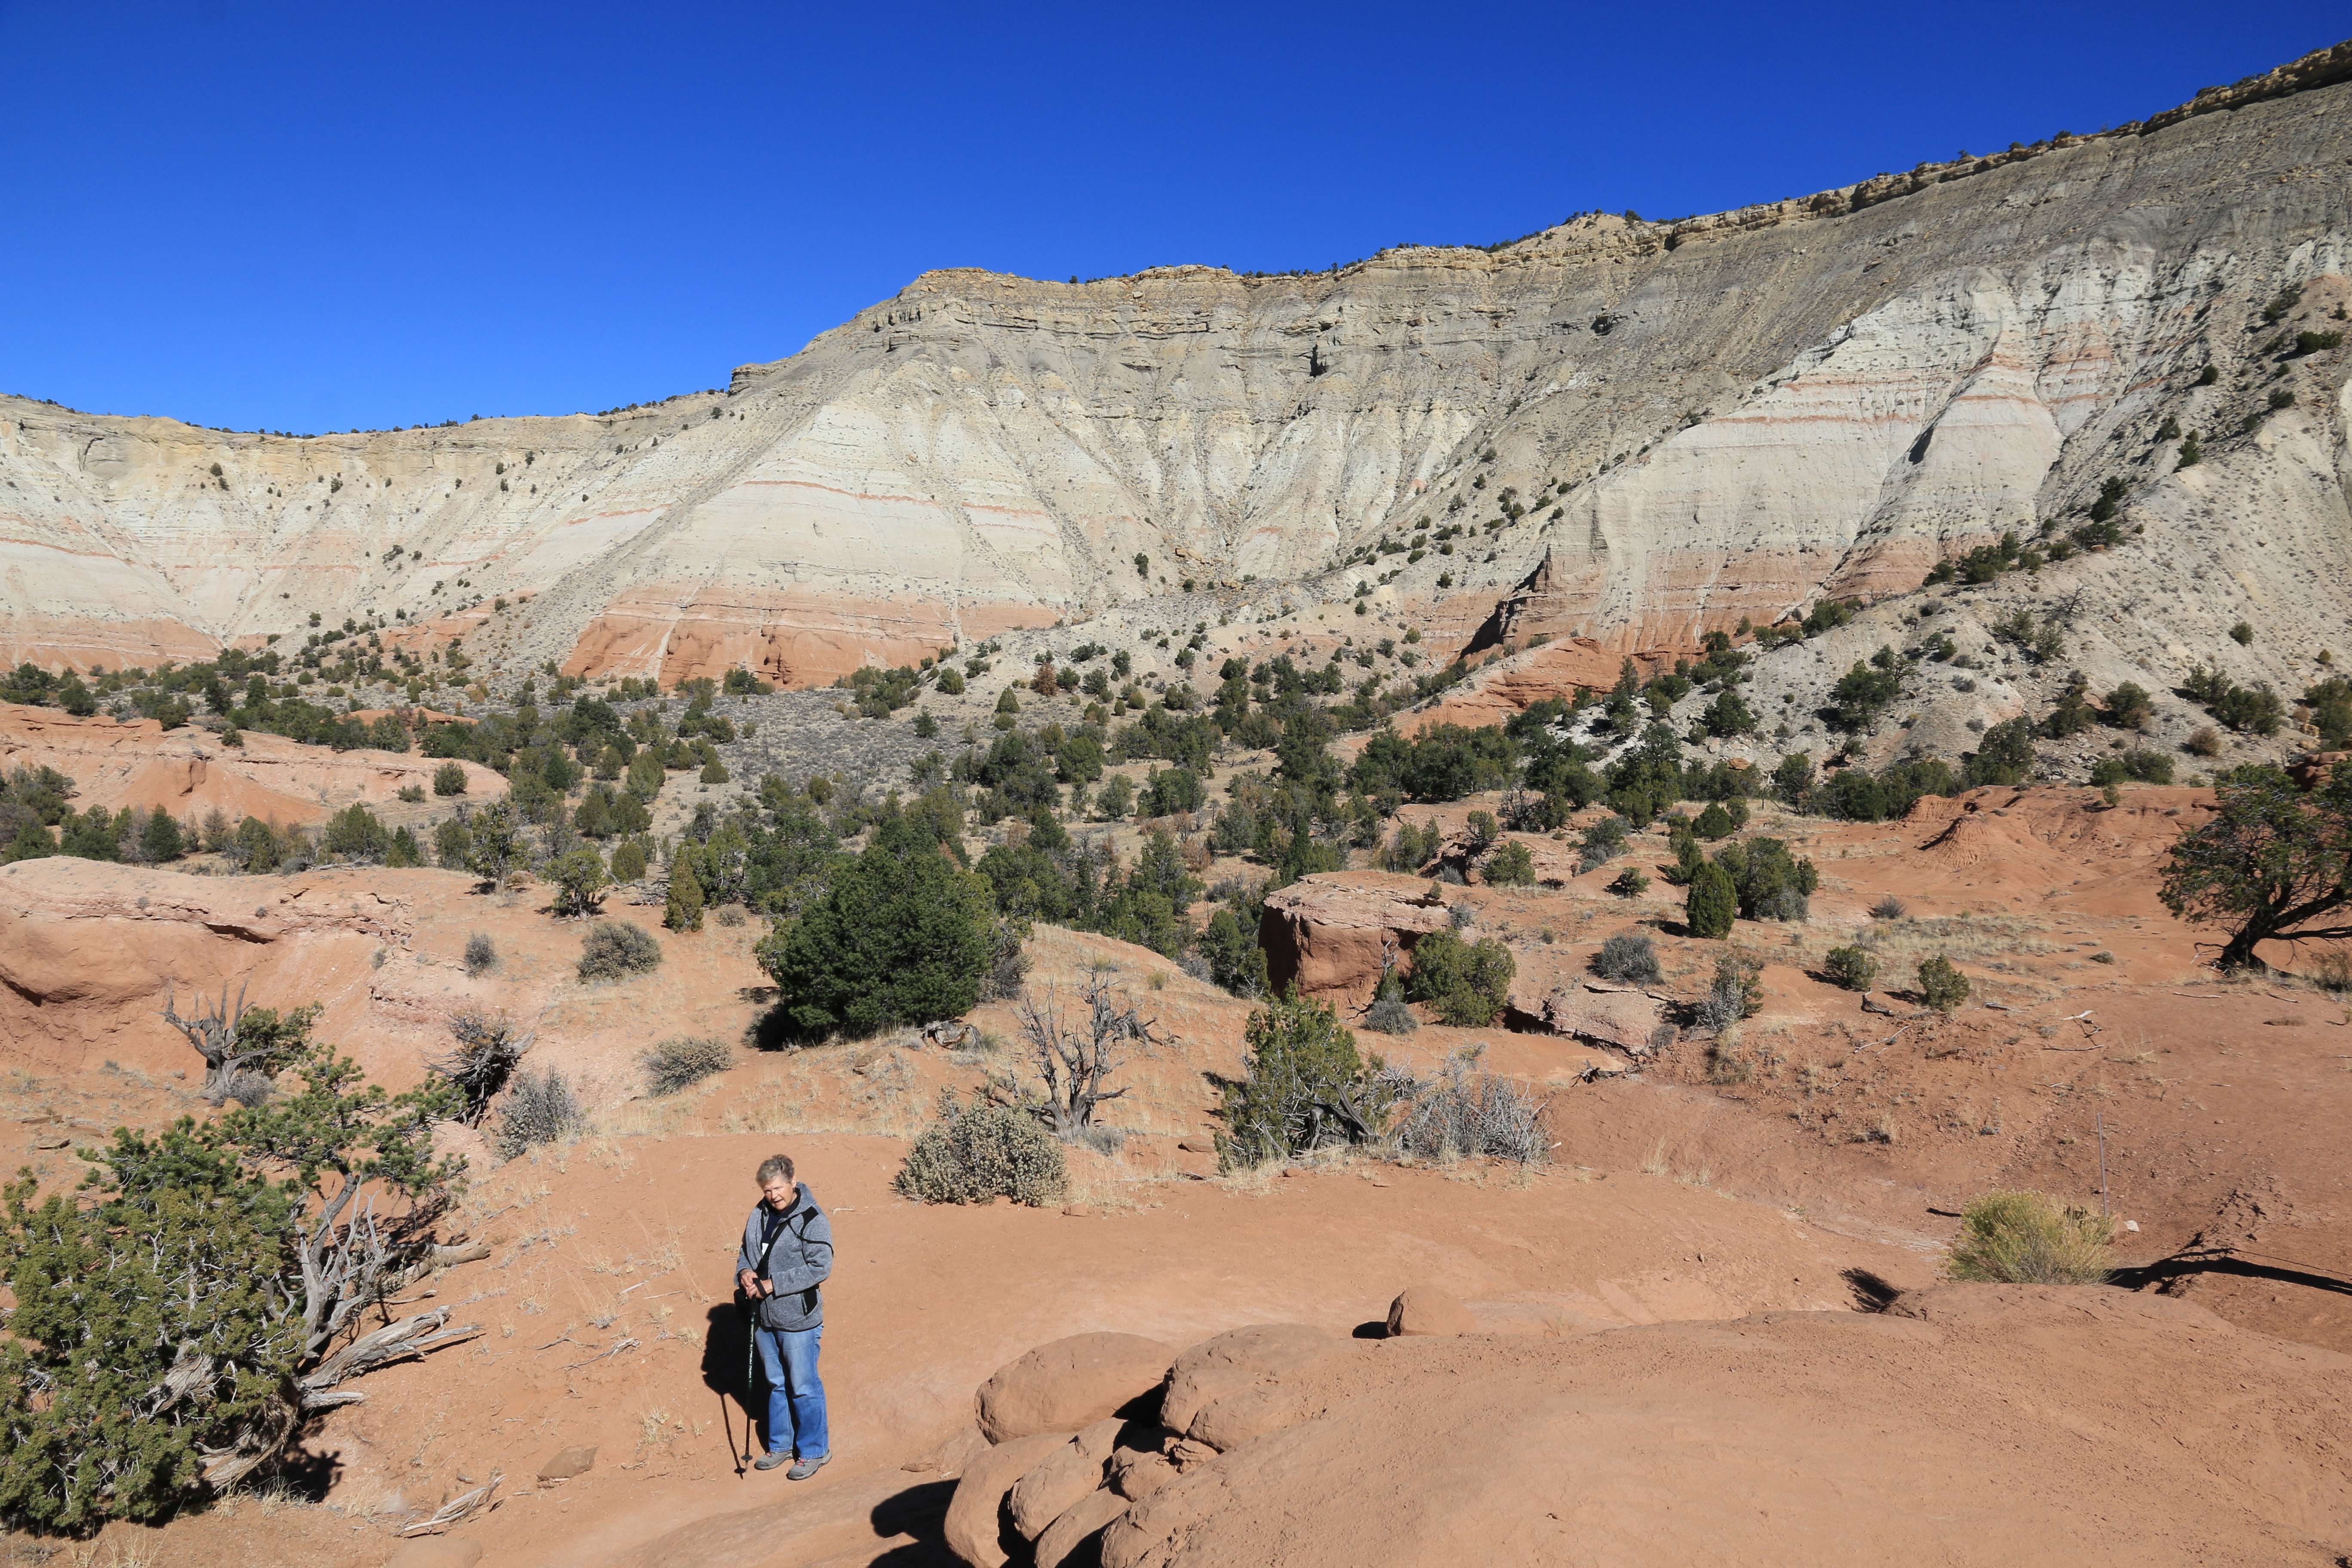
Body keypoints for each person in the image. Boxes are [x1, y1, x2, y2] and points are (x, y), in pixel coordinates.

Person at [735, 1152, 832, 1477]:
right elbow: (745, 1253)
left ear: (793, 1181)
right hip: (763, 1317)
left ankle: (814, 1451)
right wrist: (745, 1274)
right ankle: (780, 1445)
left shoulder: (811, 1218)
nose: (773, 1196)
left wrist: (773, 1284)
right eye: (766, 1190)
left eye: (777, 1188)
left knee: (803, 1385)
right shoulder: (759, 1214)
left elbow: (821, 1267)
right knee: (776, 1383)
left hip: (798, 1320)